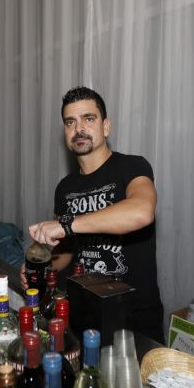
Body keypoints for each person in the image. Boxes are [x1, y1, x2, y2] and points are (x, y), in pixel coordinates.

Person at [26, 87, 164, 343]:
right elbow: (67, 251)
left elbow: (142, 212)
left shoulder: (133, 167)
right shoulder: (65, 188)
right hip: (84, 312)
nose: (79, 128)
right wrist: (40, 267)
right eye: (70, 122)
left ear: (105, 126)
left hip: (135, 318)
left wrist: (66, 224)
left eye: (88, 119)